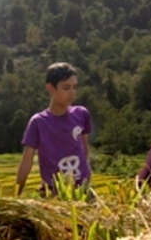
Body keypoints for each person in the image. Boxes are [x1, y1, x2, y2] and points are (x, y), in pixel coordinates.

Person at [15, 62, 93, 196]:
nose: (72, 93)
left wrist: (86, 177)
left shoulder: (81, 114)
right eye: (66, 88)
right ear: (51, 88)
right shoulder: (38, 122)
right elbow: (26, 162)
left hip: (81, 191)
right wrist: (16, 195)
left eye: (75, 87)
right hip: (53, 194)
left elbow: (84, 149)